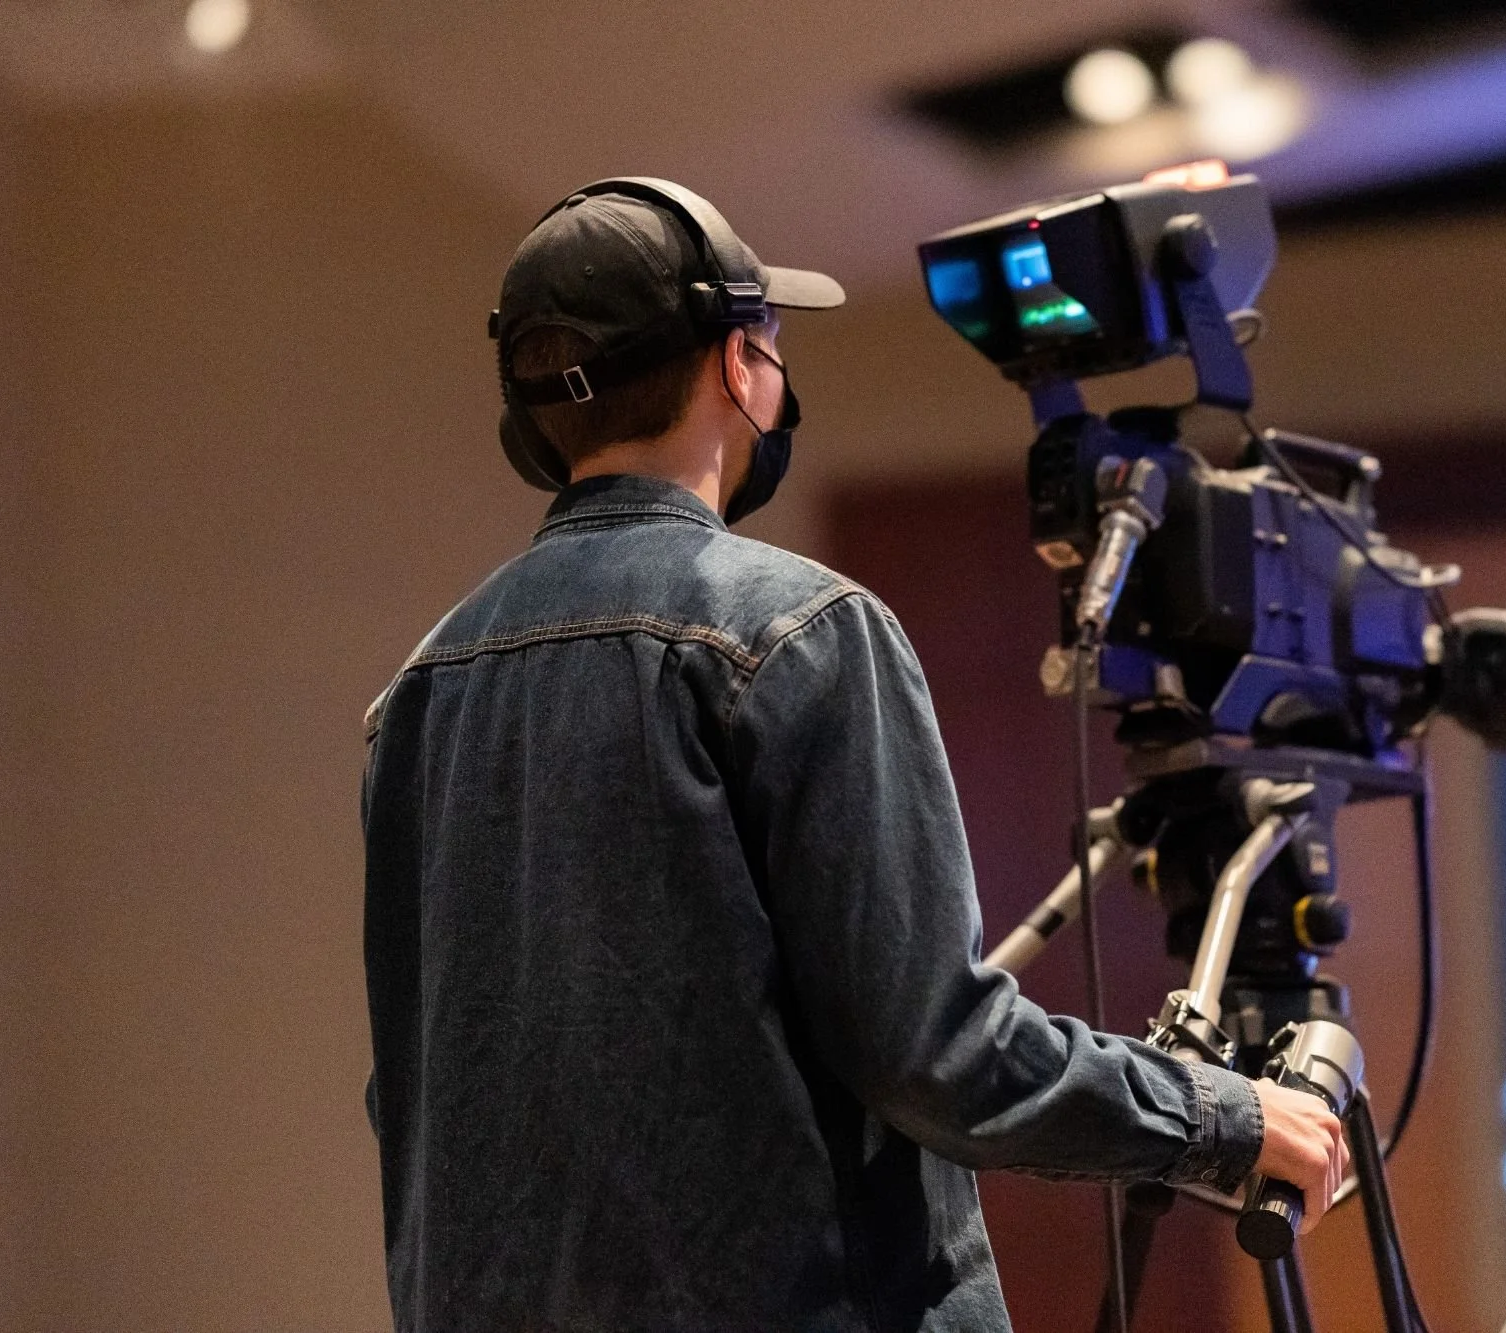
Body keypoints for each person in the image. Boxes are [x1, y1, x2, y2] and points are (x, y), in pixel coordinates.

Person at [360, 177, 1346, 1333]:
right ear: (739, 365)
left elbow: (416, 1100)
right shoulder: (801, 630)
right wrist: (1220, 1120)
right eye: (770, 343)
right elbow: (936, 1050)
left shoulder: (417, 693)